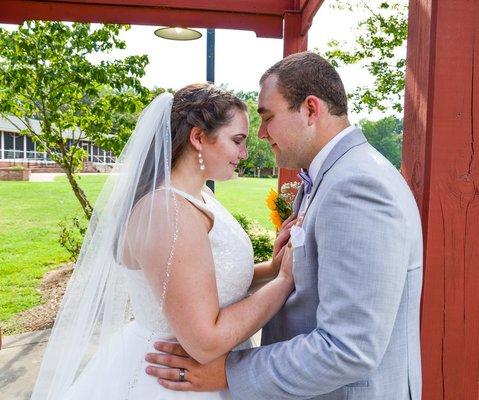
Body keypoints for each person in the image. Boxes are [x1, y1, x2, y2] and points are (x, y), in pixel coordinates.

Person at [146, 52, 423, 400]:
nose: (260, 135)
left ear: (310, 109)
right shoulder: (330, 177)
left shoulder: (357, 186)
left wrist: (229, 371)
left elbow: (349, 348)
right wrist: (278, 271)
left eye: (267, 117)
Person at [30, 83, 296, 400]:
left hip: (211, 376)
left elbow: (207, 283)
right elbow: (205, 341)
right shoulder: (166, 211)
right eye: (237, 141)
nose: (244, 153)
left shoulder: (200, 196)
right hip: (173, 382)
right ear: (198, 138)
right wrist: (283, 281)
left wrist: (271, 267)